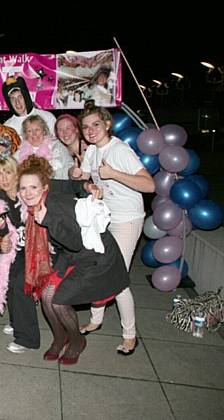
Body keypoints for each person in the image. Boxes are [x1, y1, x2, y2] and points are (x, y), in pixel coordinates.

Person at [17, 155, 129, 364]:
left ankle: (77, 341)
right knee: (46, 295)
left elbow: (75, 242)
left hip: (95, 257)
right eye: (23, 188)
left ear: (44, 187)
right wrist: (86, 184)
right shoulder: (47, 194)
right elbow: (69, 184)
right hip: (73, 256)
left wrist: (48, 220)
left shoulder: (53, 207)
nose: (28, 193)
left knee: (59, 302)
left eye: (33, 187)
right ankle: (60, 339)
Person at [71, 103, 155, 355]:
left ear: (107, 124)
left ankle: (130, 335)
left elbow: (149, 185)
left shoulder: (119, 150)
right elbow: (83, 177)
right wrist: (79, 177)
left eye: (96, 124)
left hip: (127, 219)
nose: (91, 130)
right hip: (104, 218)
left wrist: (113, 174)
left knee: (117, 278)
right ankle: (96, 319)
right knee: (97, 268)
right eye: (86, 127)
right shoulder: (92, 151)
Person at [0, 156, 40, 354]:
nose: (4, 178)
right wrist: (2, 234)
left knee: (19, 281)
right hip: (18, 251)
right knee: (6, 275)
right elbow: (4, 235)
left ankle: (28, 338)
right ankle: (18, 320)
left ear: (16, 172)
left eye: (8, 172)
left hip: (38, 248)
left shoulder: (26, 191)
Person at [14, 115, 74, 180]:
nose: (34, 134)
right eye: (29, 131)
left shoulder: (57, 146)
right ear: (25, 135)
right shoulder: (20, 152)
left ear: (44, 131)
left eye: (37, 129)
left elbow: (70, 167)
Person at [2, 76, 57, 143]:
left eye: (20, 97)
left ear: (26, 96)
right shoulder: (7, 128)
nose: (17, 102)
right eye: (13, 99)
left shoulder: (48, 117)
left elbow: (58, 145)